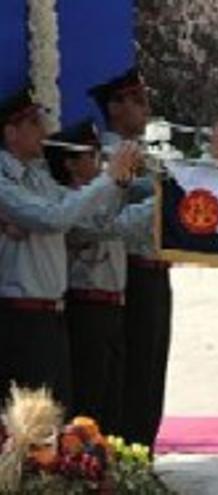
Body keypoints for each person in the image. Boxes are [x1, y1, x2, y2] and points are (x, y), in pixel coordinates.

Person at [88, 67, 218, 448]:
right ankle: (128, 452)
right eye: (137, 102)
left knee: (154, 368)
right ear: (115, 108)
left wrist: (209, 159)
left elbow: (175, 181)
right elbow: (156, 190)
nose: (146, 110)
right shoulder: (106, 153)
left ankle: (145, 451)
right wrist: (208, 161)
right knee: (134, 371)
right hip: (130, 273)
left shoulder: (150, 147)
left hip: (157, 270)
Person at [0, 85, 138, 410]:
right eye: (34, 123)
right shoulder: (5, 181)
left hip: (52, 315)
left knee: (62, 416)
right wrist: (107, 180)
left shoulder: (39, 178)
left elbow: (91, 222)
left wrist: (119, 182)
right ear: (11, 132)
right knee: (31, 423)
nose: (44, 131)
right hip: (22, 316)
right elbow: (53, 218)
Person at [45, 120, 134, 434]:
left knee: (114, 396)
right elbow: (101, 226)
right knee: (90, 398)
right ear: (70, 164)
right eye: (91, 155)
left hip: (113, 303)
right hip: (87, 305)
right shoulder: (69, 200)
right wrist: (116, 182)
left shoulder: (103, 193)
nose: (99, 162)